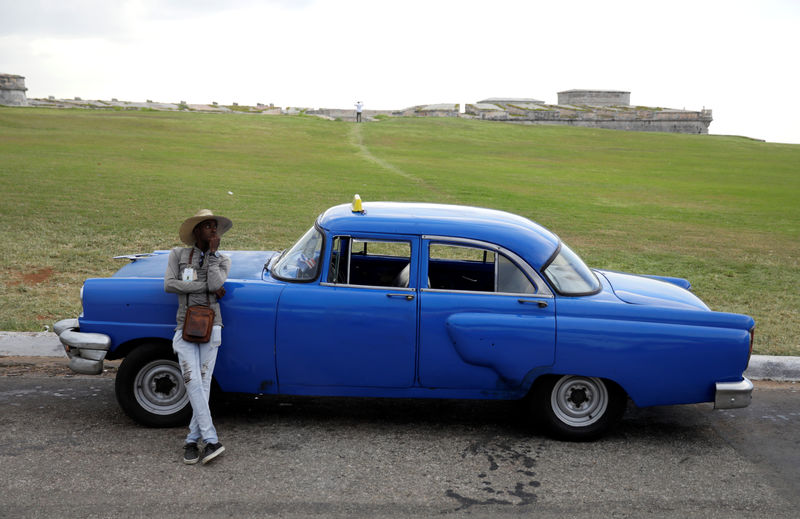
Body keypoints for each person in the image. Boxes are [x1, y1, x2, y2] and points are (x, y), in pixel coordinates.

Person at [164, 209, 232, 465]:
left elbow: (216, 284)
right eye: (207, 226)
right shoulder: (178, 255)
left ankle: (192, 441)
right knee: (192, 379)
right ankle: (211, 439)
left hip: (212, 326)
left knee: (203, 383)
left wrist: (212, 256)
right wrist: (202, 286)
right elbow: (169, 284)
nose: (213, 230)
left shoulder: (223, 260)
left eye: (215, 226)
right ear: (196, 232)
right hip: (184, 326)